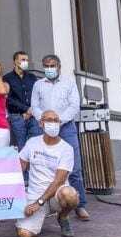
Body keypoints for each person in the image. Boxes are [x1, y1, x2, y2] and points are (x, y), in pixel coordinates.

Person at [30, 54, 91, 221]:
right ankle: (46, 203)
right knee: (44, 166)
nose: (49, 68)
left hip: (66, 128)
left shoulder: (69, 83)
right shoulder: (38, 85)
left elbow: (74, 105)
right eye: (46, 66)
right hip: (45, 129)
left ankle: (80, 206)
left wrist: (59, 121)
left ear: (59, 67)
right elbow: (34, 106)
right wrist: (45, 121)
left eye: (52, 65)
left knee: (75, 168)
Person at [15, 110, 80, 237]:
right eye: (49, 120)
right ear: (41, 124)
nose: (53, 123)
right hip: (35, 194)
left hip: (56, 196)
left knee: (70, 195)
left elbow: (59, 181)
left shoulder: (66, 149)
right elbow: (19, 168)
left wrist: (38, 203)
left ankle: (63, 217)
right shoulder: (32, 142)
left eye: (56, 121)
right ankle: (37, 217)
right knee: (24, 234)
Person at [3, 51, 41, 152]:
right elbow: (8, 99)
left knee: (36, 144)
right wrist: (25, 109)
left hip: (33, 115)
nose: (26, 62)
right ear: (16, 61)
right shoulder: (7, 78)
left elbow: (37, 95)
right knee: (21, 146)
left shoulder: (32, 77)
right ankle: (22, 163)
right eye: (23, 60)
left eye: (27, 60)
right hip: (17, 116)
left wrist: (30, 110)